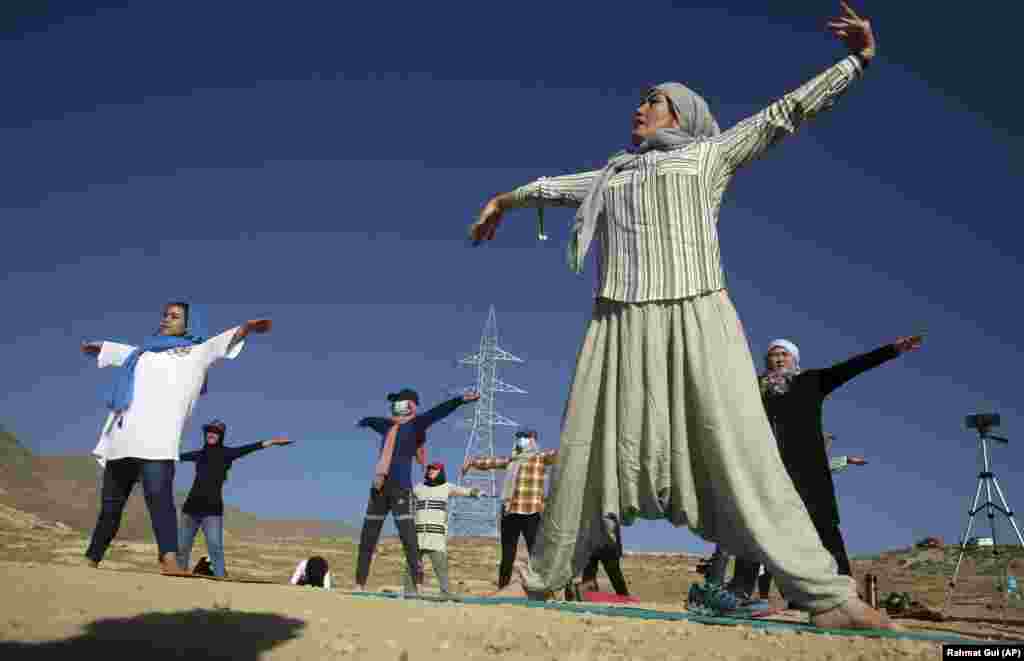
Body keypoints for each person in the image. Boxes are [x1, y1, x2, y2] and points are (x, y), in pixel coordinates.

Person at [468, 2, 897, 630]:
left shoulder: (709, 157)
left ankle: (825, 596)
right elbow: (553, 187)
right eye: (640, 101)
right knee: (586, 448)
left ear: (683, 114)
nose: (639, 109)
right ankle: (540, 579)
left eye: (654, 101)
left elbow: (787, 112)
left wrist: (857, 61)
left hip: (698, 314)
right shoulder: (612, 176)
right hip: (616, 323)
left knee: (743, 447)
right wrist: (502, 199)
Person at [80, 301, 272, 575]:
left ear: (188, 324)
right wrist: (98, 346)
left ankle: (169, 560)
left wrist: (247, 329)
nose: (167, 319)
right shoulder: (143, 353)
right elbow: (119, 351)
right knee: (111, 506)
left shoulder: (196, 352)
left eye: (175, 316)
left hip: (158, 441)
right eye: (165, 315)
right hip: (122, 437)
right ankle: (91, 558)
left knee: (160, 501)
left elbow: (222, 342)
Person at [728, 336, 921, 599]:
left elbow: (851, 367)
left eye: (784, 354)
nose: (778, 358)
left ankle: (845, 593)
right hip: (766, 472)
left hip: (808, 473)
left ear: (794, 359)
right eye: (773, 355)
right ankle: (739, 591)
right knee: (755, 526)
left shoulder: (811, 381)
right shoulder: (754, 392)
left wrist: (892, 350)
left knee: (824, 531)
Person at [353, 388, 480, 593]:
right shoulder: (387, 426)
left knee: (408, 538)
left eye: (399, 401)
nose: (395, 405)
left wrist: (460, 400)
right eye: (393, 403)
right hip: (378, 489)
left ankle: (418, 584)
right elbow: (373, 420)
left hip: (401, 489)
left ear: (410, 405)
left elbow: (438, 412)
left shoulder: (415, 425)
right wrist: (364, 421)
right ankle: (359, 583)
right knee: (368, 535)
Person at [176, 419, 293, 577]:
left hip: (212, 510)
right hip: (190, 508)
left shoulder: (227, 454)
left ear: (221, 436)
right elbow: (176, 457)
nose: (211, 434)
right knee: (183, 546)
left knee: (215, 546)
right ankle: (179, 575)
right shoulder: (199, 454)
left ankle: (220, 577)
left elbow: (249, 448)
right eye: (209, 431)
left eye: (216, 432)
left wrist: (272, 442)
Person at [463, 430, 558, 590]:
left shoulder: (540, 458)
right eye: (519, 438)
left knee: (535, 554)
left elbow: (562, 453)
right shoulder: (511, 460)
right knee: (507, 554)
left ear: (533, 441)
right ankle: (503, 587)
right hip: (510, 511)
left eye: (526, 437)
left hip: (531, 512)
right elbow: (490, 462)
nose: (521, 440)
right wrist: (472, 462)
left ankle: (543, 586)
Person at [400, 461, 482, 595]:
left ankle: (445, 592)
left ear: (441, 472)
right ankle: (409, 592)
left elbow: (463, 491)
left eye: (435, 469)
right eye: (430, 469)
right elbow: (405, 494)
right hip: (418, 534)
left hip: (436, 536)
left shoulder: (447, 487)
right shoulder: (419, 487)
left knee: (441, 566)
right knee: (411, 564)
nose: (431, 471)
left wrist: (476, 492)